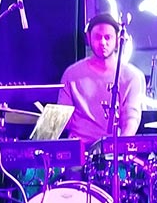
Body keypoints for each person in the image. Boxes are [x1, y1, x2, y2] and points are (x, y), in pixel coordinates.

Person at [59, 11, 145, 144]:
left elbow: (131, 117)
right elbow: (63, 118)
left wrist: (121, 147)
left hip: (114, 150)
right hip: (80, 151)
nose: (103, 42)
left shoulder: (132, 76)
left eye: (108, 37)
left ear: (117, 40)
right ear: (88, 38)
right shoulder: (71, 74)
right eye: (98, 37)